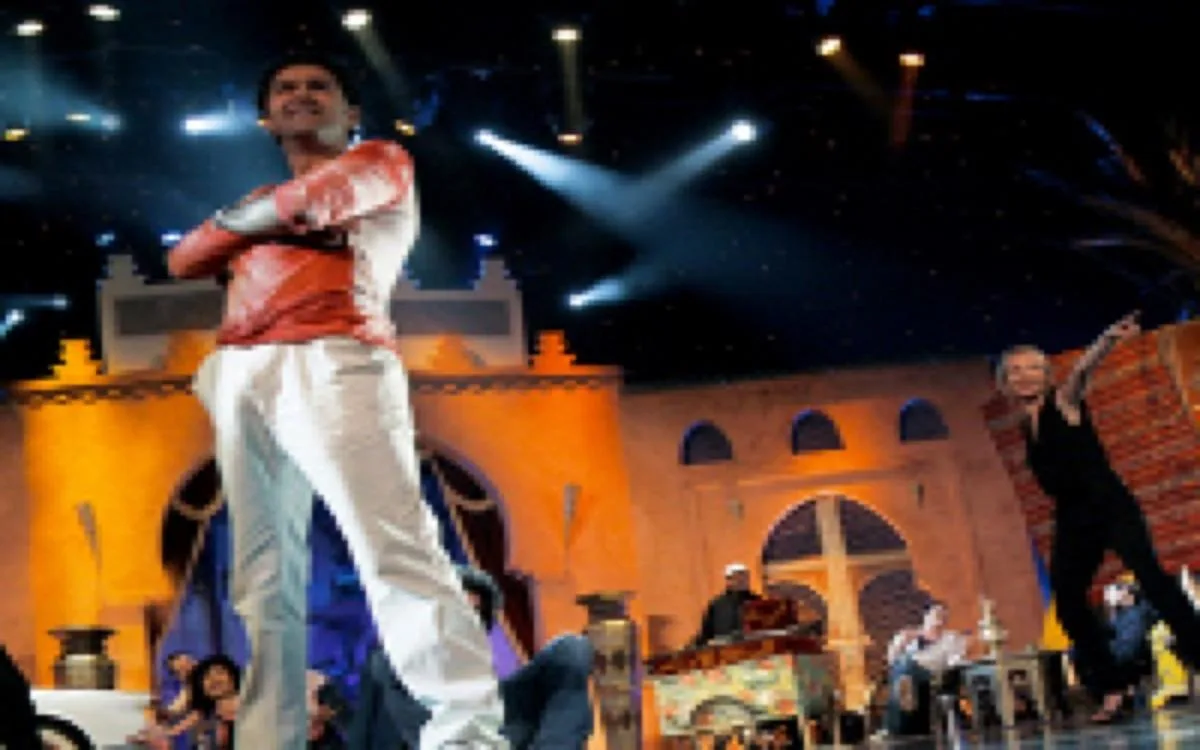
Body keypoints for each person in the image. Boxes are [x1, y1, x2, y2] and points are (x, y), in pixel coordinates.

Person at [166, 53, 505, 749]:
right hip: (242, 369)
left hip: (335, 355)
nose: (300, 95)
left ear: (351, 112)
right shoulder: (267, 191)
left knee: (394, 547)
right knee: (262, 581)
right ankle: (270, 739)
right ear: (266, 119)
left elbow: (306, 205)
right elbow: (183, 257)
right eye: (284, 88)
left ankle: (467, 734)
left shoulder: (381, 161)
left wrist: (242, 225)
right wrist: (260, 218)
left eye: (318, 86)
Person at [999, 311, 1200, 722]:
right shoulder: (1024, 423)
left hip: (1108, 503)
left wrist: (1106, 339)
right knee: (1068, 602)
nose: (1024, 376)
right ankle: (1112, 687)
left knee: (1154, 581)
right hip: (1073, 515)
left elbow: (1081, 373)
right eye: (1015, 370)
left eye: (1033, 368)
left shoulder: (1063, 401)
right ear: (1005, 380)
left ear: (1047, 375)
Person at [349, 565, 596, 749]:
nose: (466, 622)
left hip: (494, 727)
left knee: (570, 649)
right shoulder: (391, 666)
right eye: (457, 610)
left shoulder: (502, 697)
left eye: (475, 613)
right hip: (446, 735)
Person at [878, 602, 969, 739]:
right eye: (937, 614)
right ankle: (906, 696)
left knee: (905, 668)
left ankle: (892, 726)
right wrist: (901, 643)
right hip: (904, 674)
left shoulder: (952, 638)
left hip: (931, 674)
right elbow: (891, 660)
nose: (940, 618)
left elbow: (954, 663)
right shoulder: (907, 635)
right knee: (904, 669)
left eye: (944, 615)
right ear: (926, 617)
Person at [691, 563, 763, 647]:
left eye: (745, 577)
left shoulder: (758, 602)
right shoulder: (717, 605)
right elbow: (706, 635)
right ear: (728, 580)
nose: (742, 580)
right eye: (738, 577)